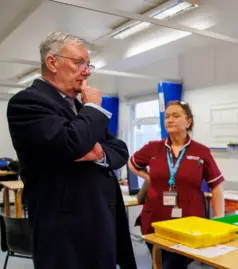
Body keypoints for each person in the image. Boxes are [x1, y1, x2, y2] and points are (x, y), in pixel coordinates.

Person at [6, 32, 136, 269]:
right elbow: (72, 143)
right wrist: (94, 107)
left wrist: (100, 154)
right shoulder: (27, 103)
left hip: (100, 220)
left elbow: (119, 149)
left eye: (88, 65)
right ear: (52, 62)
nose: (87, 71)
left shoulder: (79, 107)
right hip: (64, 231)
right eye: (79, 63)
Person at [128, 100, 225, 269]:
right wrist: (148, 177)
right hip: (155, 222)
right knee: (157, 263)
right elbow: (132, 163)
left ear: (188, 122)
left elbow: (216, 186)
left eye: (175, 116)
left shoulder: (201, 151)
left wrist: (219, 219)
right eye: (166, 117)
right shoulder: (153, 148)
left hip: (188, 224)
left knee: (172, 266)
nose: (169, 120)